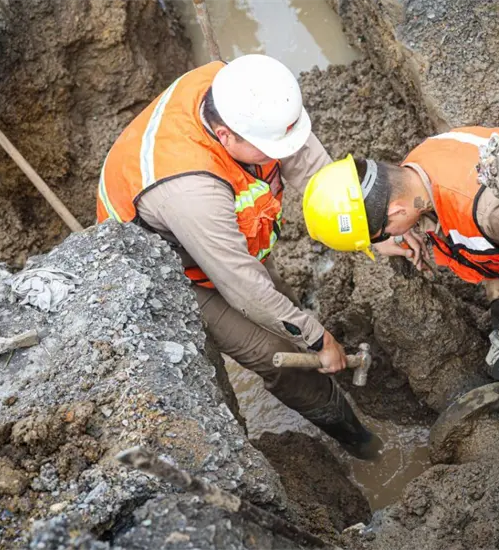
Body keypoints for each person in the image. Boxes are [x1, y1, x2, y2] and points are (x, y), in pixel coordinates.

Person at [96, 54, 384, 459]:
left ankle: (318, 361)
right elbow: (244, 289)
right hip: (168, 272)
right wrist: (320, 338)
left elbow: (314, 170)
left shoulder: (249, 94)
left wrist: (371, 230)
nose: (281, 155)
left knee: (282, 308)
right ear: (225, 136)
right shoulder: (191, 190)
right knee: (277, 355)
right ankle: (360, 443)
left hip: (219, 236)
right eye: (271, 151)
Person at [301, 123, 499, 386]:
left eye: (382, 235)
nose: (387, 240)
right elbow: (477, 238)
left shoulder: (495, 216)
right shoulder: (417, 170)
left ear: (397, 211)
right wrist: (498, 292)